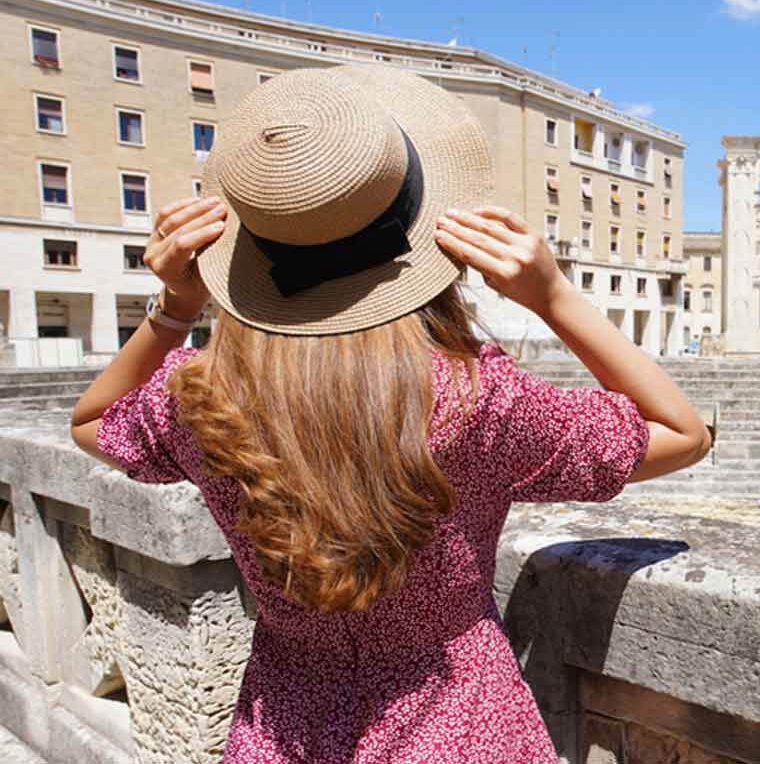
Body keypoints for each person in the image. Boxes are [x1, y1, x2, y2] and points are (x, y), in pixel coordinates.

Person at [69, 65, 710, 763]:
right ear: (422, 229)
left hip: (282, 731)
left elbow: (92, 422)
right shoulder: (475, 400)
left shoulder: (199, 398)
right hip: (463, 730)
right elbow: (682, 432)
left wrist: (175, 309)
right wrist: (553, 297)